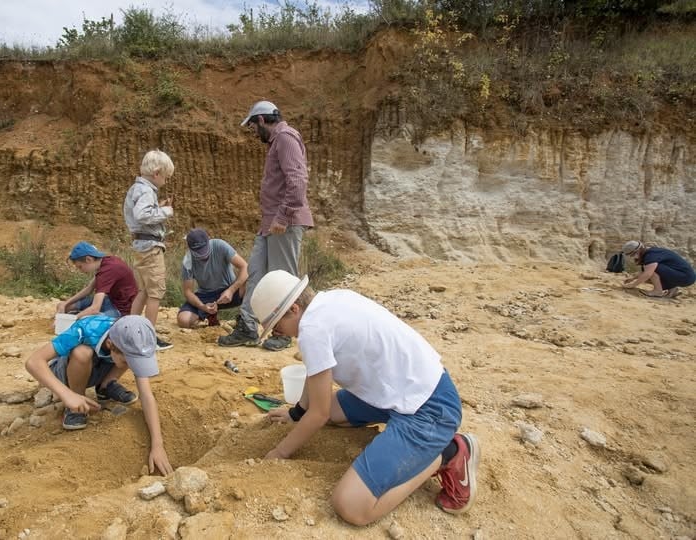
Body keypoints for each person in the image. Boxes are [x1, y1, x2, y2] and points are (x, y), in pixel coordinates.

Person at [253, 270, 480, 526]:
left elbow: (319, 414)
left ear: (293, 309)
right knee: (334, 412)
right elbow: (317, 372)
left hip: (429, 408)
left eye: (276, 326)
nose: (279, 334)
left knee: (350, 506)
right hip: (411, 387)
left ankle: (451, 452)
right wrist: (296, 413)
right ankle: (400, 445)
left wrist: (280, 452)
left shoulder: (312, 330)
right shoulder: (331, 300)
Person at [219, 100, 314, 351]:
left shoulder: (285, 137)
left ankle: (286, 332)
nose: (253, 132)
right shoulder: (278, 141)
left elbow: (298, 179)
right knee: (256, 273)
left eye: (253, 126)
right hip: (270, 223)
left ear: (261, 120)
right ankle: (248, 327)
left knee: (283, 276)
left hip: (285, 221)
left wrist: (283, 217)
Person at [25, 315, 173, 475]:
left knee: (127, 359)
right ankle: (76, 403)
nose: (131, 368)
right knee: (82, 352)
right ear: (110, 344)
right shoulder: (86, 329)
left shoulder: (129, 335)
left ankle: (106, 386)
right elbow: (33, 362)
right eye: (127, 363)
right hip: (65, 372)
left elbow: (146, 395)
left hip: (100, 366)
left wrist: (157, 445)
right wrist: (68, 395)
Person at [123, 149, 175, 351]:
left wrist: (157, 207)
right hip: (150, 247)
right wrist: (166, 211)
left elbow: (141, 213)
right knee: (155, 293)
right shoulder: (145, 190)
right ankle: (148, 337)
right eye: (166, 177)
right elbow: (143, 215)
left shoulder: (136, 189)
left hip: (140, 245)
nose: (166, 181)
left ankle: (130, 331)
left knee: (144, 291)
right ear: (157, 173)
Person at [177, 228, 249, 329]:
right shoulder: (188, 261)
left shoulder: (219, 245)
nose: (203, 256)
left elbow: (245, 267)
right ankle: (209, 317)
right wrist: (202, 307)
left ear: (208, 241)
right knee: (183, 320)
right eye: (198, 253)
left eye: (204, 251)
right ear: (190, 249)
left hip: (229, 290)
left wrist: (231, 290)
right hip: (206, 296)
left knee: (252, 281)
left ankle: (246, 320)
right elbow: (188, 291)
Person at [56, 241, 138, 319]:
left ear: (88, 259)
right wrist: (66, 303)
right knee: (66, 307)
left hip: (121, 310)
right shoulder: (106, 262)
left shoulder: (107, 270)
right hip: (111, 301)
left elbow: (95, 308)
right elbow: (89, 288)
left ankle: (79, 315)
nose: (80, 270)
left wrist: (74, 319)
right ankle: (78, 313)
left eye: (80, 267)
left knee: (87, 322)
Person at [621, 240, 695, 298]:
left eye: (632, 255)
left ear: (637, 251)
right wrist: (633, 278)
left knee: (651, 272)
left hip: (685, 277)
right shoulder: (651, 253)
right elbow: (646, 271)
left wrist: (633, 285)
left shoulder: (651, 256)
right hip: (686, 276)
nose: (633, 257)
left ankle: (658, 292)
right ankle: (672, 289)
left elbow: (648, 274)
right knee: (649, 272)